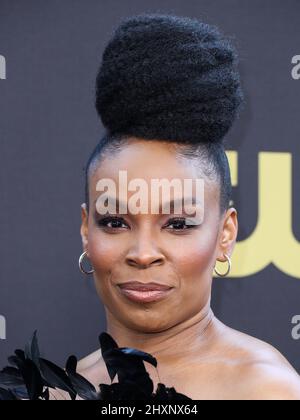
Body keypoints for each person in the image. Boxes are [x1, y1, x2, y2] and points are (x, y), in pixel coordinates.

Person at [76, 13, 300, 400]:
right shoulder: (54, 389)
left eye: (178, 223)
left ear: (225, 234)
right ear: (85, 230)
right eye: (114, 221)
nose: (143, 254)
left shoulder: (266, 389)